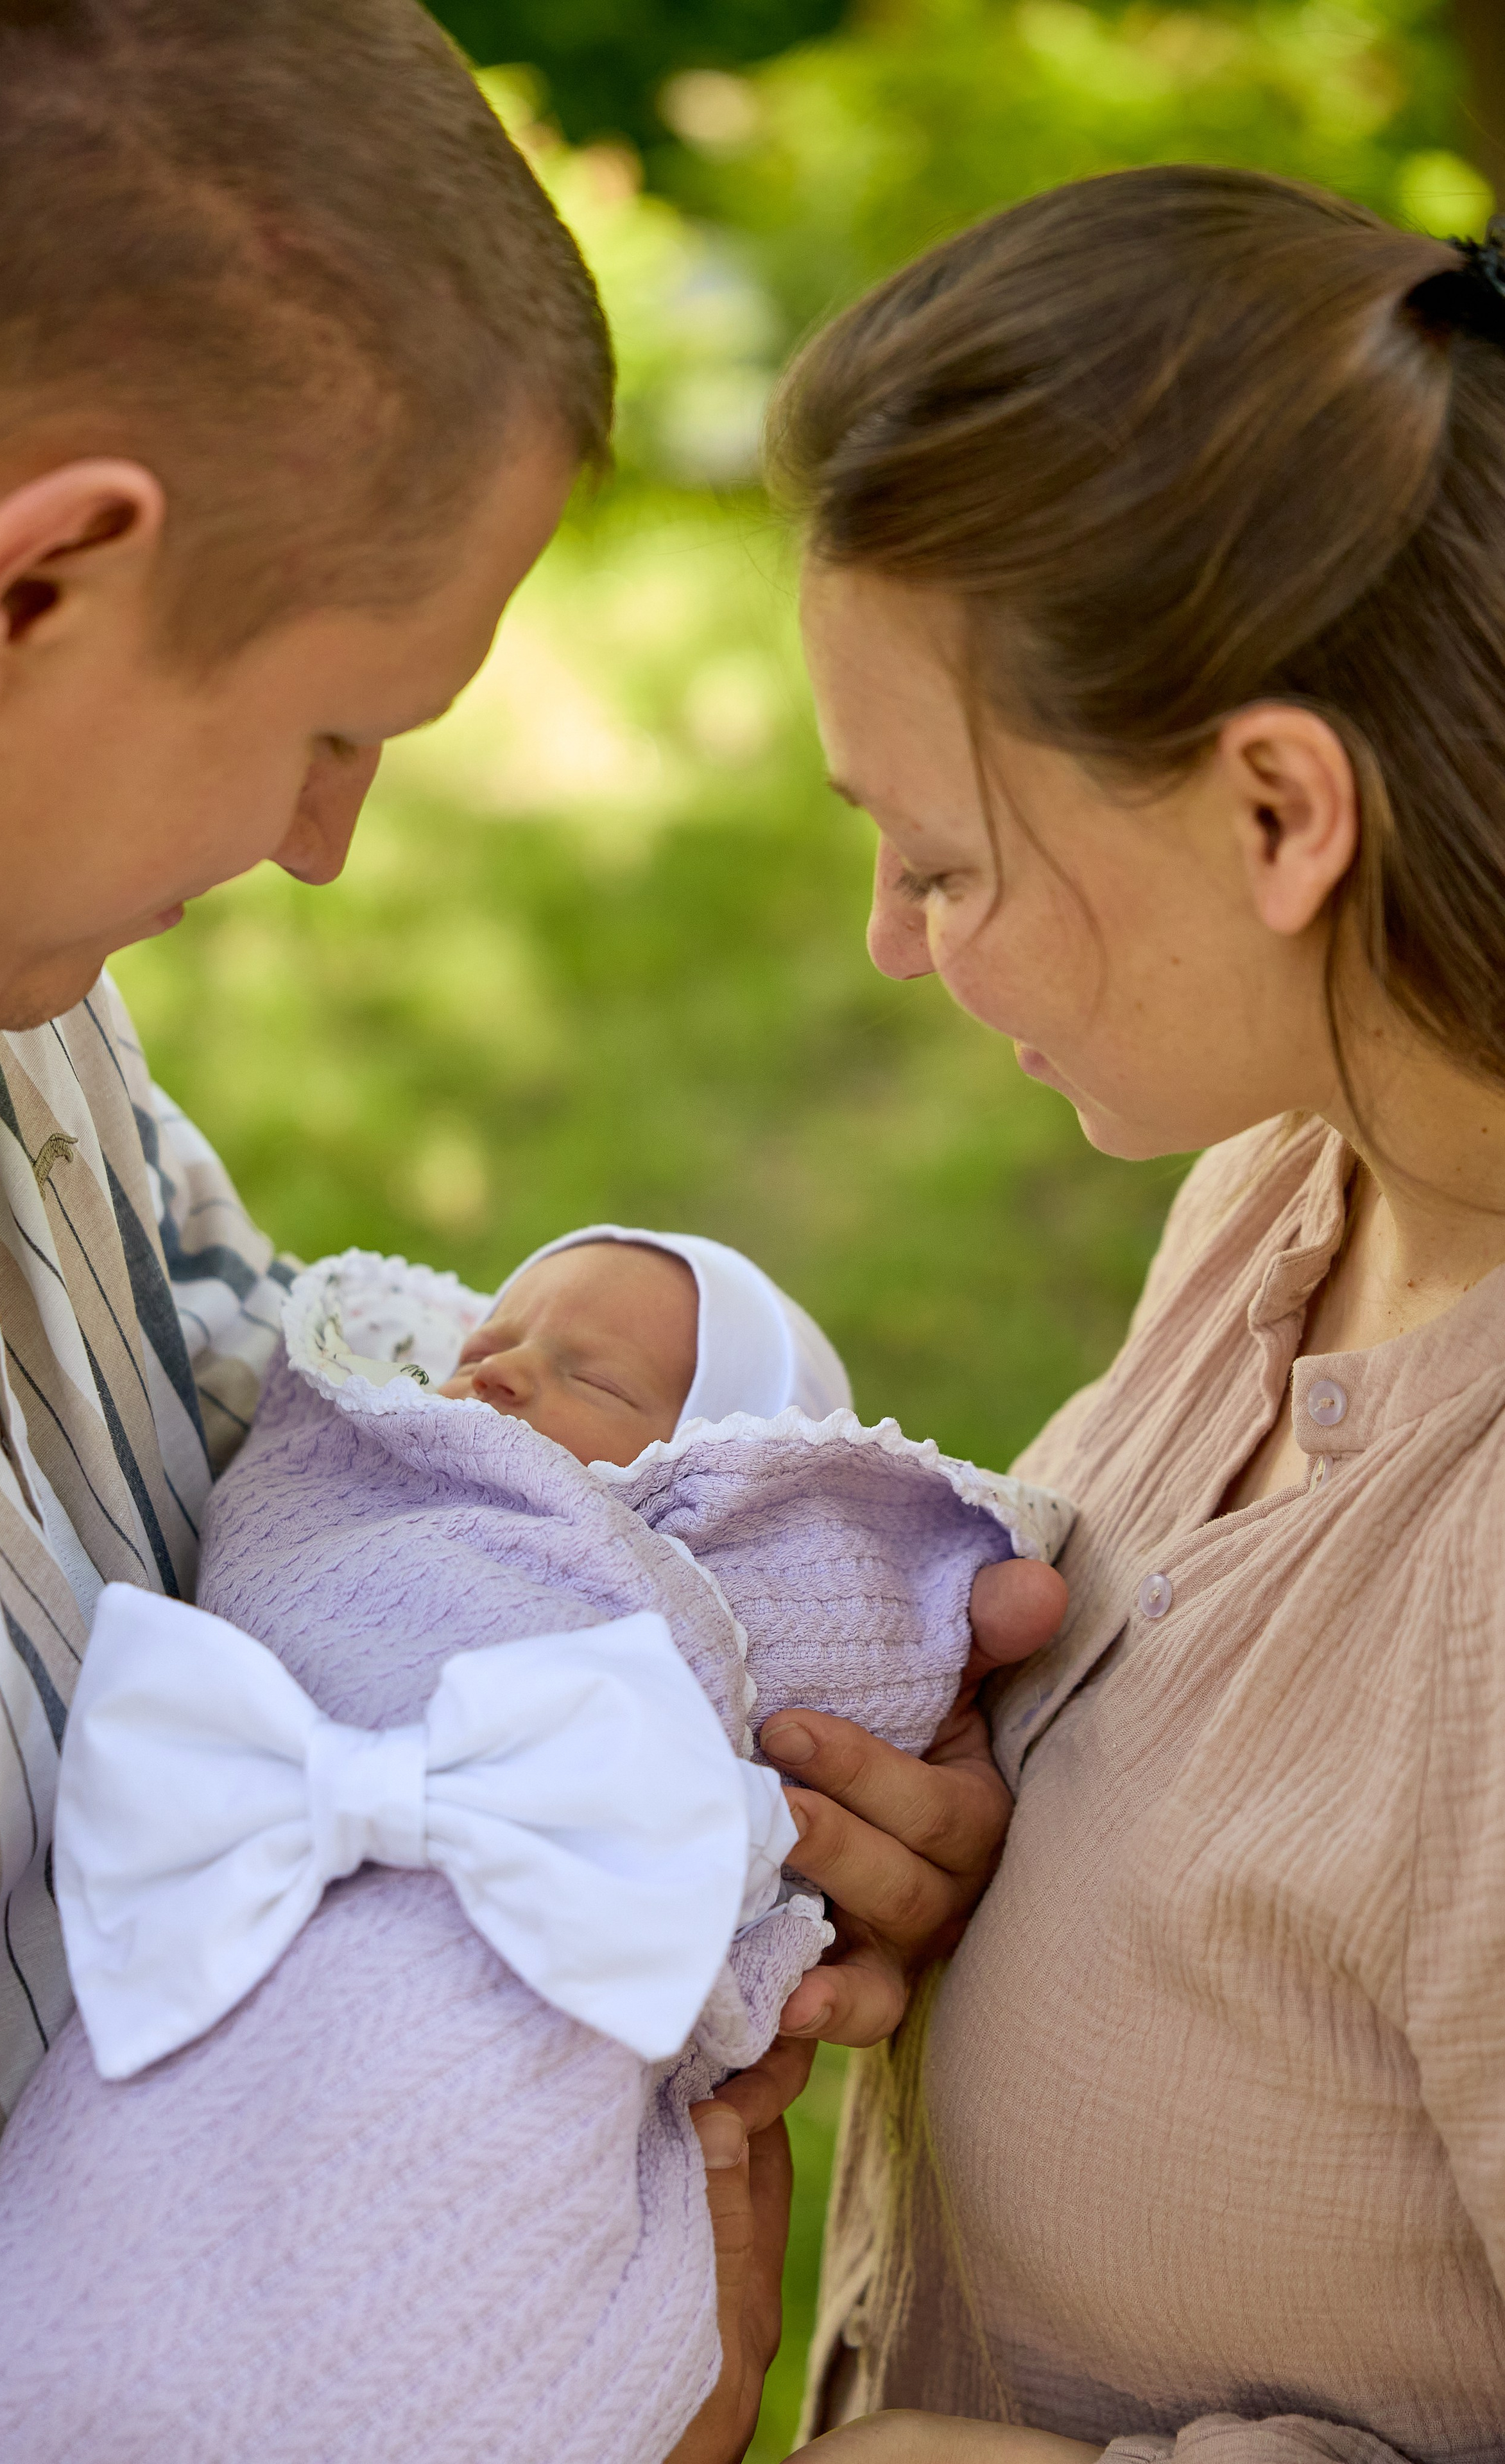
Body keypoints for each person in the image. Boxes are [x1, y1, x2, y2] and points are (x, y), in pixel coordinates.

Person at [0, 0, 1061, 2417]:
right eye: (334, 734)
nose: (327, 847)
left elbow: (256, 1383)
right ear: (34, 591)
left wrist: (740, 1699)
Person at [690, 166, 1505, 2461]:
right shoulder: (1292, 1188)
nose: (889, 941)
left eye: (948, 862)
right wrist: (1023, 1872)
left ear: (1279, 812)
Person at [0, 1226, 1066, 2460]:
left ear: (730, 1471)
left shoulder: (703, 1600)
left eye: (595, 1378)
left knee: (454, 2286)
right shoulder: (359, 1507)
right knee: (92, 2285)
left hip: (497, 2041)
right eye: (487, 1342)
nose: (497, 1370)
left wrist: (915, 1609)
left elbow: (862, 1632)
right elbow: (288, 1533)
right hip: (221, 1984)